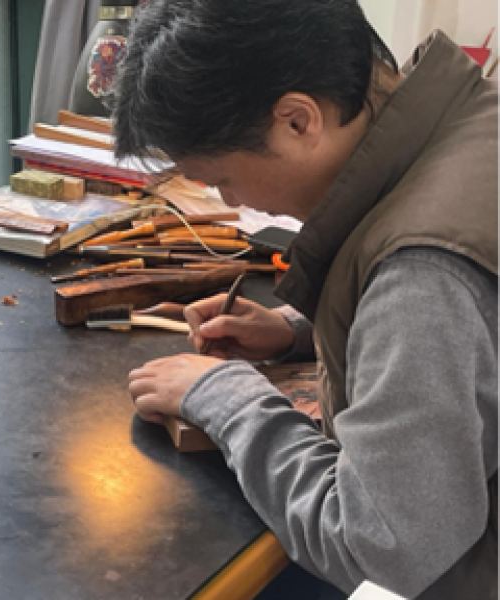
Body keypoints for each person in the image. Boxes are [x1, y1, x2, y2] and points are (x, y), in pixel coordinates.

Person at [114, 1, 498, 599]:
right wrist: (301, 327)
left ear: (297, 121)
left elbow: (380, 549)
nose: (230, 201)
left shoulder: (419, 279)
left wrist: (229, 398)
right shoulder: (472, 119)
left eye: (221, 179)